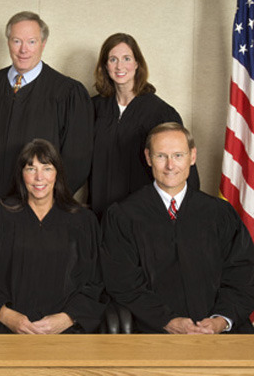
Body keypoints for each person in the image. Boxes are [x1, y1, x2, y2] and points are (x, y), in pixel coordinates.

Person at [101, 122, 254, 334]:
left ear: (192, 156)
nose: (170, 165)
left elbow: (244, 274)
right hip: (155, 333)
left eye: (178, 156)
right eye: (161, 156)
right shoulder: (123, 215)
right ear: (148, 158)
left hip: (222, 334)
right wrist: (168, 321)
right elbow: (123, 283)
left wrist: (220, 320)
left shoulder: (219, 213)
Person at [0, 139, 106, 334]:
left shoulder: (82, 221)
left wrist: (67, 318)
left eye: (47, 168)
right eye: (31, 169)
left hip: (66, 332)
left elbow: (95, 282)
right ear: (21, 175)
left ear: (57, 174)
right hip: (5, 331)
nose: (39, 178)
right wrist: (7, 316)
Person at [0, 11, 93, 213]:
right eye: (16, 41)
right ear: (8, 43)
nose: (23, 50)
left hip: (38, 209)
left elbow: (77, 161)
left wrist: (47, 202)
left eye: (31, 41)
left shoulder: (67, 92)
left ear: (43, 43)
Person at [90, 33, 200, 219]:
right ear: (105, 66)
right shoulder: (93, 108)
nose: (119, 66)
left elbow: (184, 169)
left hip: (144, 216)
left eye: (126, 58)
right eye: (113, 59)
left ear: (137, 64)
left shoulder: (160, 113)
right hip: (99, 212)